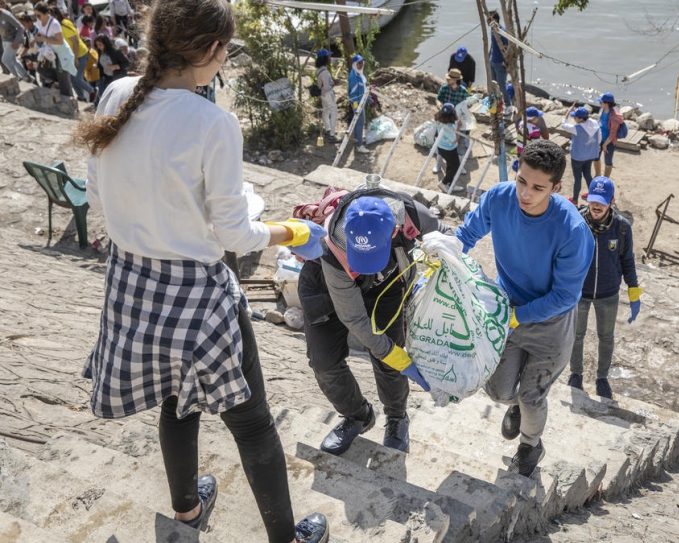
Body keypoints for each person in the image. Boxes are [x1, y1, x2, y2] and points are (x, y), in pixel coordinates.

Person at [75, 0, 330, 541]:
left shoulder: (117, 94)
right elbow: (236, 236)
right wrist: (293, 232)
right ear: (212, 50)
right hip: (196, 295)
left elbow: (99, 195)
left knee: (177, 401)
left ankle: (187, 512)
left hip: (131, 284)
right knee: (253, 424)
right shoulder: (214, 123)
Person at [455, 139, 595, 477]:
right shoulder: (498, 198)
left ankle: (530, 446)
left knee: (533, 396)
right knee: (498, 390)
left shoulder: (573, 231)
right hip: (507, 310)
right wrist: (445, 259)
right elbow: (467, 235)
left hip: (551, 324)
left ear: (556, 188)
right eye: (521, 181)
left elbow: (565, 296)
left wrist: (518, 317)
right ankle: (515, 405)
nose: (525, 193)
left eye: (537, 188)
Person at [293, 187, 449, 457]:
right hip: (327, 287)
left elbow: (447, 235)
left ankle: (397, 416)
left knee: (388, 363)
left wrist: (447, 254)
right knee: (324, 362)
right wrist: (397, 357)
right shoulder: (333, 246)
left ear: (394, 231)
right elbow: (354, 317)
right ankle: (358, 415)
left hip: (385, 287)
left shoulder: (410, 214)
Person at [566, 176, 639, 399]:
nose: (596, 206)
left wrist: (633, 291)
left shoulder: (622, 228)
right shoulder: (576, 222)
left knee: (606, 337)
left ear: (612, 202)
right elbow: (562, 254)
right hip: (579, 293)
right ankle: (575, 374)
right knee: (576, 335)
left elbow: (628, 260)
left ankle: (602, 378)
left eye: (602, 201)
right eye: (593, 200)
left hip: (608, 294)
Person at [52, 5, 95, 102]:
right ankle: (81, 97)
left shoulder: (64, 24)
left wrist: (75, 59)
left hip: (80, 54)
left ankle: (92, 90)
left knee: (75, 79)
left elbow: (75, 42)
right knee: (74, 78)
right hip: (71, 55)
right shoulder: (56, 26)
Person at [560, 105, 600, 202]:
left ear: (581, 119)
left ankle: (574, 199)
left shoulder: (576, 129)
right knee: (588, 175)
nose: (574, 118)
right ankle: (592, 195)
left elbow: (563, 125)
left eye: (575, 117)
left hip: (577, 157)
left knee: (578, 178)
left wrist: (568, 111)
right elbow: (599, 140)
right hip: (590, 155)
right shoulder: (595, 124)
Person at [32, 2, 73, 97]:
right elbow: (41, 31)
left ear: (46, 14)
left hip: (61, 53)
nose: (37, 17)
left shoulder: (55, 24)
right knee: (41, 69)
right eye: (36, 15)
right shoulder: (40, 21)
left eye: (39, 15)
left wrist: (44, 39)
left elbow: (60, 41)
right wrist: (34, 39)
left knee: (64, 82)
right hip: (49, 51)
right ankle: (61, 80)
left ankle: (69, 100)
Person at [435, 67, 470, 164]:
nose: (447, 80)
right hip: (445, 117)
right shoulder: (445, 87)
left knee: (460, 141)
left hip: (458, 118)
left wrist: (468, 105)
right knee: (440, 139)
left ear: (455, 80)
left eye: (449, 79)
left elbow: (467, 105)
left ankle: (460, 165)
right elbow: (438, 98)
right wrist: (439, 105)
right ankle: (439, 163)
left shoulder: (463, 91)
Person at [435, 102, 463, 193]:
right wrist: (458, 128)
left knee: (450, 165)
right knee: (455, 166)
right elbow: (455, 140)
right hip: (449, 149)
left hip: (441, 147)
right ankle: (443, 183)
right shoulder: (448, 127)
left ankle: (450, 184)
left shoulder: (439, 120)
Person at [594, 92, 623, 178]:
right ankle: (597, 175)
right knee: (595, 157)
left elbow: (613, 134)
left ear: (606, 104)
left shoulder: (614, 117)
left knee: (608, 161)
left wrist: (605, 145)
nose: (599, 103)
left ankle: (606, 179)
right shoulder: (602, 110)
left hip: (609, 142)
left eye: (601, 102)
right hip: (600, 138)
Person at [315, 48, 340, 143]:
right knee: (334, 112)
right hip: (328, 94)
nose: (330, 58)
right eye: (328, 56)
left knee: (325, 111)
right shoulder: (325, 72)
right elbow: (326, 87)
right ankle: (332, 135)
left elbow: (321, 85)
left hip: (322, 95)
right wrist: (334, 84)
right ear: (325, 58)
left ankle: (327, 130)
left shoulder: (319, 70)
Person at [0, 3, 30, 81]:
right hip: (4, 40)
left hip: (13, 40)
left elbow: (21, 27)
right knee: (13, 60)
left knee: (5, 60)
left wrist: (16, 41)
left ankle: (16, 77)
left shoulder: (6, 15)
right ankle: (26, 76)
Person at [93, 34, 127, 103]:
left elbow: (126, 62)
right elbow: (101, 62)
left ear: (105, 44)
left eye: (100, 45)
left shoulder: (115, 51)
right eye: (97, 45)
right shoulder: (100, 51)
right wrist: (97, 65)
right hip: (106, 77)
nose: (99, 47)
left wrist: (116, 66)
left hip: (117, 77)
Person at [347, 53, 369, 154]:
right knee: (360, 121)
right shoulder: (354, 77)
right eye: (359, 63)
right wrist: (356, 107)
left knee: (358, 122)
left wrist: (366, 96)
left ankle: (357, 138)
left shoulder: (358, 73)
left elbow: (362, 88)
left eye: (362, 63)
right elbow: (353, 94)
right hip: (357, 103)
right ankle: (360, 146)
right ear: (354, 64)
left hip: (361, 101)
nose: (361, 65)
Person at [487, 11, 509, 104]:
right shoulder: (493, 30)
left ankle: (508, 104)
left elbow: (507, 47)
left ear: (495, 20)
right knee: (493, 84)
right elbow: (493, 44)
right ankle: (495, 103)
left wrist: (507, 64)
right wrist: (489, 55)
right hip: (492, 61)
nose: (487, 21)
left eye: (489, 19)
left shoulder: (502, 31)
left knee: (502, 86)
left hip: (500, 63)